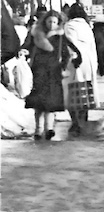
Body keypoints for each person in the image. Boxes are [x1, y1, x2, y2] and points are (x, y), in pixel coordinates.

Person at [22, 9, 78, 140]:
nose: (52, 24)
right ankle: (38, 129)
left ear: (58, 23)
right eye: (49, 21)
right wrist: (23, 51)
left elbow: (66, 53)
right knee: (39, 104)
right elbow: (27, 46)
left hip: (54, 72)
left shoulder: (60, 37)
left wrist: (63, 67)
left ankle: (49, 128)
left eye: (54, 22)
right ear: (45, 21)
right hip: (38, 71)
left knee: (50, 104)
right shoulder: (36, 34)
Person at [61, 2, 99, 135]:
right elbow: (92, 46)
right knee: (85, 90)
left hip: (75, 61)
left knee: (71, 92)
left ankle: (75, 123)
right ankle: (83, 119)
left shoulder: (69, 26)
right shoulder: (87, 27)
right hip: (88, 61)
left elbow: (69, 44)